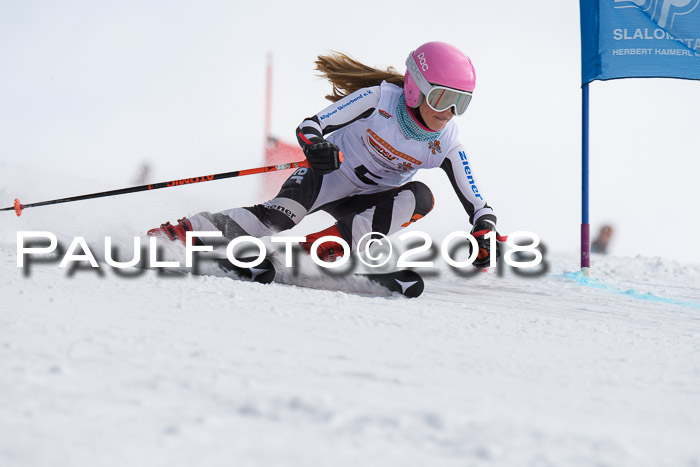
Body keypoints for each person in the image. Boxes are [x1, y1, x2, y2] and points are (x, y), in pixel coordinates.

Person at [148, 41, 500, 268]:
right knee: (277, 218)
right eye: (441, 98)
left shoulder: (447, 142)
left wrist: (485, 229)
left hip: (366, 201)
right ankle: (183, 232)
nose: (449, 111)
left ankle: (320, 250)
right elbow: (311, 125)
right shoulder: (379, 100)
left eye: (461, 102)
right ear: (414, 88)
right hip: (329, 177)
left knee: (420, 196)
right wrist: (317, 147)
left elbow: (477, 202)